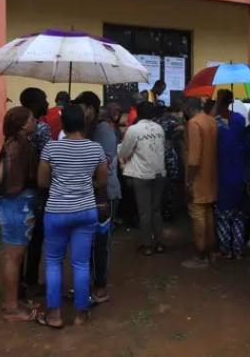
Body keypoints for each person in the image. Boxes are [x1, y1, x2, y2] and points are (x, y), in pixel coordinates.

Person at [36, 104, 108, 328]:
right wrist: (88, 183)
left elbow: (42, 182)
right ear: (84, 123)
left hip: (56, 211)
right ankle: (80, 314)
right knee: (81, 263)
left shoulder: (51, 148)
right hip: (86, 211)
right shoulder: (96, 149)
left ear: (63, 124)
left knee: (54, 262)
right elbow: (103, 181)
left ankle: (55, 315)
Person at [0, 106, 39, 322]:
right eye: (31, 118)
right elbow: (1, 178)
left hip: (15, 204)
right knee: (13, 257)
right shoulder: (16, 147)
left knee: (15, 256)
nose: (35, 120)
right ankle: (11, 308)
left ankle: (12, 301)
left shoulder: (18, 143)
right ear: (22, 124)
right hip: (15, 204)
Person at [74, 91, 120, 304]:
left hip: (104, 194)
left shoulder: (104, 131)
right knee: (85, 242)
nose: (79, 112)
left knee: (100, 243)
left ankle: (100, 286)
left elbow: (104, 164)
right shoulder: (84, 130)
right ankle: (84, 284)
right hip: (86, 193)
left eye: (82, 108)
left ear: (91, 109)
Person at [119, 101, 167, 256]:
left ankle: (147, 245)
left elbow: (125, 152)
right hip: (159, 173)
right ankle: (159, 243)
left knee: (144, 211)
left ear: (138, 113)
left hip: (142, 175)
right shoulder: (159, 128)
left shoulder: (134, 130)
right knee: (156, 210)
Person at [18, 88, 51, 297]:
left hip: (19, 186)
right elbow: (47, 157)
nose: (47, 104)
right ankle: (31, 278)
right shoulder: (42, 128)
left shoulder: (15, 126)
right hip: (38, 187)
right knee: (37, 234)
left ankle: (19, 280)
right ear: (33, 105)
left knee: (21, 235)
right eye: (44, 100)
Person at [182, 97, 218, 269]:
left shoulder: (193, 124)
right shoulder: (212, 121)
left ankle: (200, 255)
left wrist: (189, 182)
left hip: (198, 177)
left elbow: (194, 159)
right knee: (208, 214)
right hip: (211, 176)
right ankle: (210, 253)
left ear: (188, 108)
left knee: (198, 216)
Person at [214, 90, 248, 259]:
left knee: (223, 215)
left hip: (222, 173)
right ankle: (238, 250)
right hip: (240, 172)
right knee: (238, 216)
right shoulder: (240, 120)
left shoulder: (215, 123)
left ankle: (225, 250)